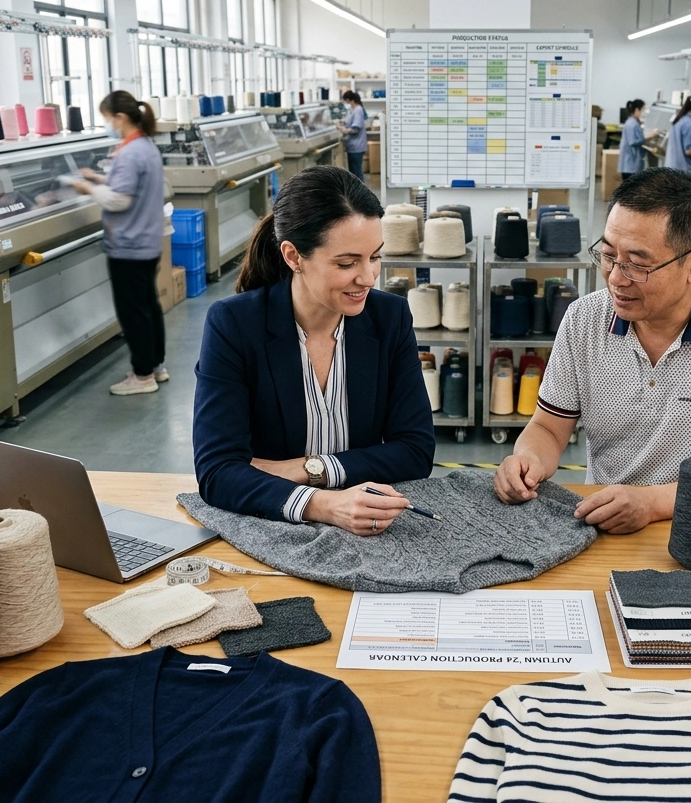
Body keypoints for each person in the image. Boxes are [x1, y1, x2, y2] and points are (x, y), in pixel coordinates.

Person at [494, 167, 691, 534]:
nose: (616, 277)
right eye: (608, 255)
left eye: (637, 264)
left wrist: (652, 503)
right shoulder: (584, 320)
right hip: (603, 521)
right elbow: (549, 429)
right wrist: (526, 461)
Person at [192, 165, 435, 535]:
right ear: (293, 257)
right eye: (347, 262)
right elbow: (217, 472)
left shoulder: (389, 317)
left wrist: (312, 469)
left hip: (365, 524)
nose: (368, 277)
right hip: (275, 523)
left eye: (375, 257)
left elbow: (416, 450)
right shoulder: (235, 325)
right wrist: (324, 504)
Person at [70, 91, 166, 396]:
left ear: (119, 118)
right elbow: (129, 186)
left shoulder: (129, 153)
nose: (107, 124)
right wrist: (99, 178)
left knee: (133, 312)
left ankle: (142, 377)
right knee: (148, 306)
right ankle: (155, 365)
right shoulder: (145, 146)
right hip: (147, 241)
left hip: (129, 246)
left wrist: (85, 187)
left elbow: (119, 200)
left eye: (107, 118)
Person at [616, 99, 660, 180]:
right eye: (643, 109)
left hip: (632, 164)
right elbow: (633, 141)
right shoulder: (632, 124)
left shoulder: (634, 123)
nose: (644, 112)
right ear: (637, 110)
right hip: (630, 164)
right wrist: (650, 135)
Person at [338, 91, 368, 182]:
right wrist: (343, 122)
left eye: (347, 101)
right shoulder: (353, 110)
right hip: (352, 146)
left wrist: (344, 130)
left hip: (357, 146)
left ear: (351, 100)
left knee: (356, 172)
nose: (347, 104)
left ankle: (359, 193)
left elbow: (356, 128)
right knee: (353, 171)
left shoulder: (358, 109)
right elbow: (349, 120)